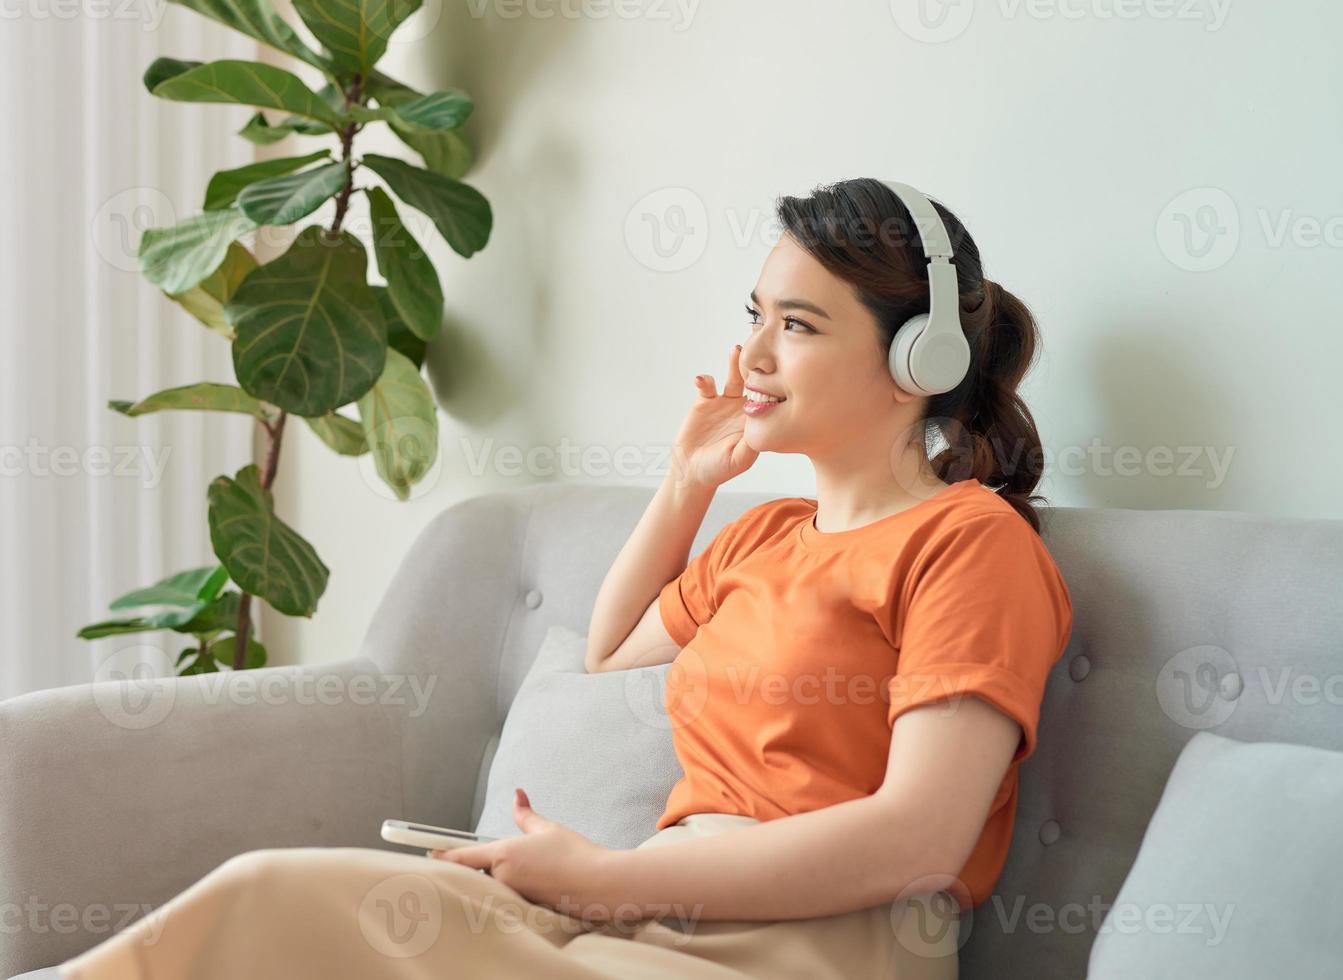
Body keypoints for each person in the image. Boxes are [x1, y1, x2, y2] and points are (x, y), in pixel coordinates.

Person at [59, 178, 1073, 980]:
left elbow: (921, 839)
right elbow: (609, 650)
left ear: (919, 358)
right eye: (754, 313)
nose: (752, 351)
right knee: (266, 894)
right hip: (657, 909)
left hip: (816, 943)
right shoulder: (767, 533)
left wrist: (610, 880)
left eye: (797, 326)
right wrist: (685, 482)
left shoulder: (967, 544)